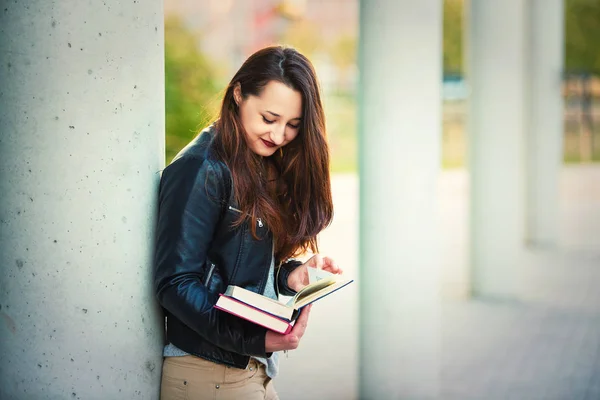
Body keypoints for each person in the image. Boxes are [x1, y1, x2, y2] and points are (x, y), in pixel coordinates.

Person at [154, 45, 342, 400]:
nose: (278, 135)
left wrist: (290, 275)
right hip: (207, 373)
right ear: (239, 93)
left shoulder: (257, 163)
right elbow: (175, 284)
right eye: (269, 118)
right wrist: (255, 337)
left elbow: (232, 265)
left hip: (247, 369)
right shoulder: (201, 169)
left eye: (293, 125)